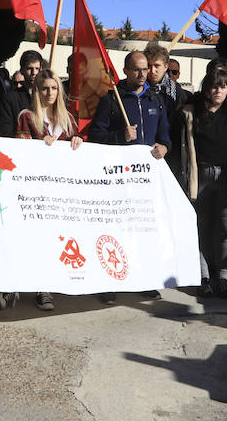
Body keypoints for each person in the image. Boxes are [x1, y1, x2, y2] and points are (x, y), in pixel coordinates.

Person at [88, 51, 170, 304]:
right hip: (117, 179)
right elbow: (96, 137)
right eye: (137, 69)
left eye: (145, 69)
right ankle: (109, 282)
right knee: (115, 231)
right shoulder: (112, 100)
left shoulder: (155, 99)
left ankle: (142, 280)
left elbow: (166, 134)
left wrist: (164, 147)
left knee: (142, 231)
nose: (143, 74)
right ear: (125, 70)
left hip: (145, 180)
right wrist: (120, 137)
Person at [173, 68, 227, 299]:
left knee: (226, 231)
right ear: (206, 89)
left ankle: (222, 278)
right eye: (213, 86)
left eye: (222, 87)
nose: (218, 91)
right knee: (199, 228)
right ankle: (203, 278)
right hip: (198, 177)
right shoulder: (191, 113)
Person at [6, 69, 82, 312]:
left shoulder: (68, 119)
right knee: (28, 237)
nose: (50, 92)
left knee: (52, 238)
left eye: (54, 88)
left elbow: (77, 151)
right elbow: (20, 152)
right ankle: (12, 283)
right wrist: (39, 147)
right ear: (36, 91)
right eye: (44, 88)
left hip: (59, 190)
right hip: (32, 189)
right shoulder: (27, 117)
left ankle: (44, 288)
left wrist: (78, 141)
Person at [0, 49, 43, 136]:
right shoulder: (10, 98)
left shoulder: (47, 96)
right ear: (22, 70)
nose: (34, 73)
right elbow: (4, 130)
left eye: (37, 68)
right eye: (29, 69)